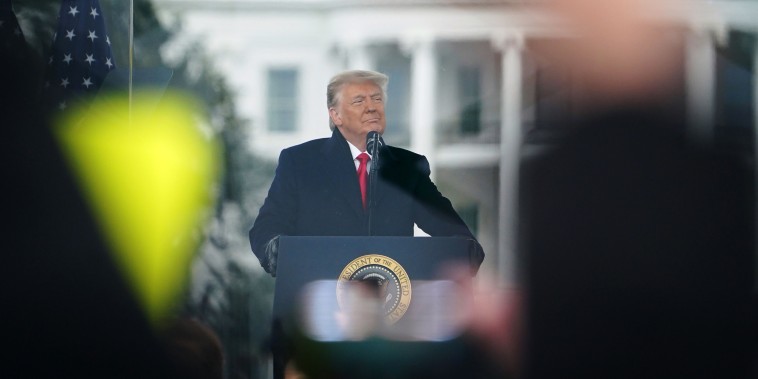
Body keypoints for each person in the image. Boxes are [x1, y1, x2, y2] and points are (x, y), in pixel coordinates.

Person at [249, 69, 484, 276]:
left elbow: (460, 240)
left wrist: (459, 256)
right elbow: (265, 230)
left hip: (392, 310)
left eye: (377, 99)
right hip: (318, 307)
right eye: (359, 101)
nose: (372, 107)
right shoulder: (300, 162)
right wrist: (286, 255)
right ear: (336, 115)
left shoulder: (407, 167)